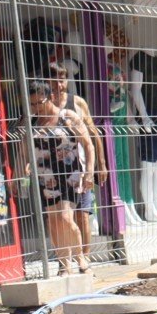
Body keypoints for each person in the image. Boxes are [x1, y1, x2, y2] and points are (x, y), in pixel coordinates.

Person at [18, 79, 93, 274]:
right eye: (32, 104)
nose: (36, 108)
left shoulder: (66, 117)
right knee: (53, 221)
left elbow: (88, 144)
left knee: (65, 217)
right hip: (45, 176)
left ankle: (80, 258)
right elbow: (23, 153)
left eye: (39, 103)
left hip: (69, 174)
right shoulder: (31, 123)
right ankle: (64, 264)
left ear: (50, 97)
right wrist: (20, 172)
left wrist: (90, 171)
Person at [50, 62, 106, 267]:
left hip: (81, 168)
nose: (59, 84)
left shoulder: (77, 103)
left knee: (83, 215)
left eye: (62, 79)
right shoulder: (45, 106)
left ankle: (85, 257)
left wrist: (101, 162)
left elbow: (93, 132)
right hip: (56, 170)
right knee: (62, 218)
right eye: (55, 79)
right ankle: (64, 261)